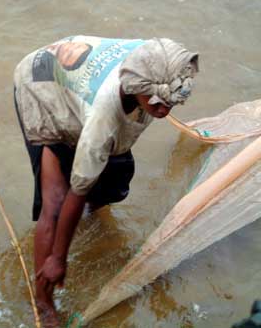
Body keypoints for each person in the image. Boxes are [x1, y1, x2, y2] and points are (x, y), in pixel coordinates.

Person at [14, 35, 199, 327]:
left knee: (113, 179)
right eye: (156, 102)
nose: (164, 111)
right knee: (56, 202)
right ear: (135, 89)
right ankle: (43, 301)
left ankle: (94, 212)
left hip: (76, 83)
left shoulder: (153, 61)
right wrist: (59, 259)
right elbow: (77, 189)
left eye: (170, 103)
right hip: (41, 86)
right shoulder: (104, 117)